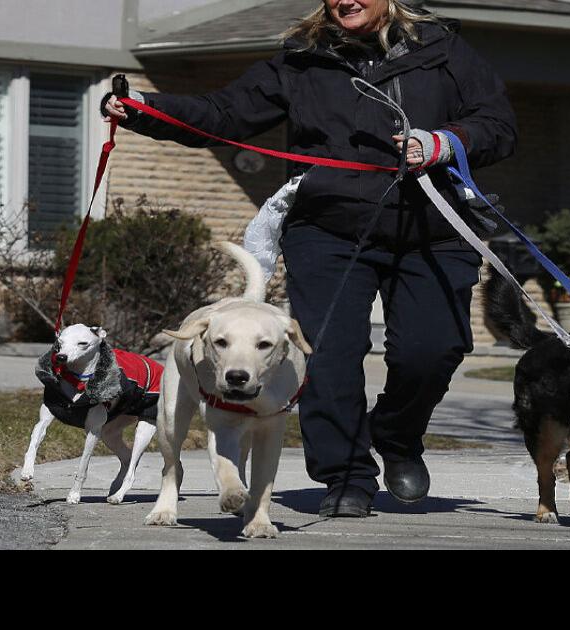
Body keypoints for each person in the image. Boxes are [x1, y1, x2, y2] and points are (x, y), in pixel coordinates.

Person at [103, 0, 517, 517]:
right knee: (326, 356)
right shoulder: (302, 59)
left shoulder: (443, 50)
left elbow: (498, 124)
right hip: (329, 230)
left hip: (432, 229)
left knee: (432, 351)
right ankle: (345, 475)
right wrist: (144, 107)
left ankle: (397, 434)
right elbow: (224, 114)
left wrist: (446, 141)